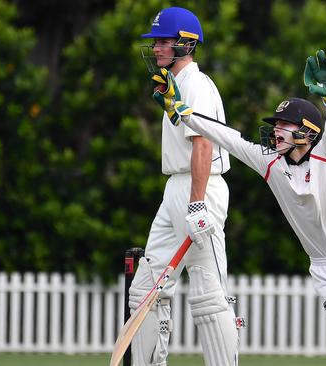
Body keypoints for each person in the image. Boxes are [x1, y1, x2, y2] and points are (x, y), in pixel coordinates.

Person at [156, 49, 326, 365]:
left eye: (284, 125)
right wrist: (181, 112)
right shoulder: (270, 163)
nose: (275, 130)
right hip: (323, 270)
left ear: (306, 132)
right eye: (275, 125)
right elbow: (228, 137)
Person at [128, 7, 239, 366]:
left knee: (209, 293)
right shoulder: (175, 86)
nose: (157, 48)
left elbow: (203, 145)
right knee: (147, 287)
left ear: (185, 44)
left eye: (163, 41)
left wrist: (196, 204)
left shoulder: (196, 83)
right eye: (155, 42)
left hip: (200, 189)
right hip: (177, 188)